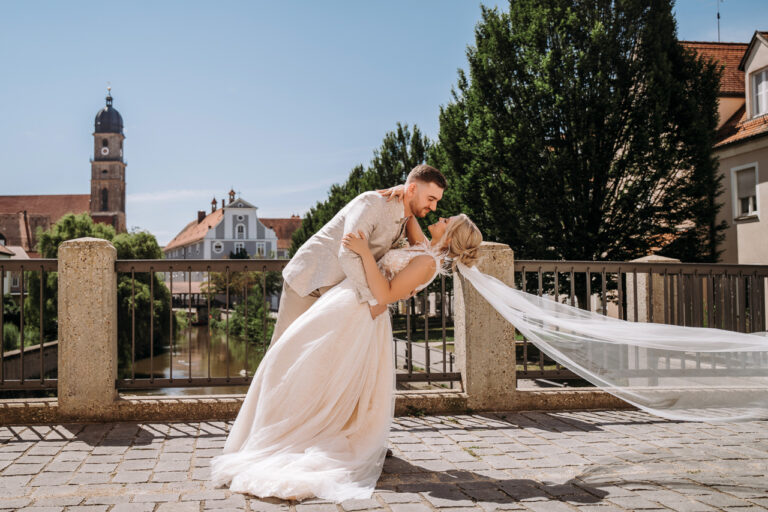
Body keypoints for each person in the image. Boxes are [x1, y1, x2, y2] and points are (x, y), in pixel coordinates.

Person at [209, 212, 483, 502]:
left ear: (450, 236)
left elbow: (386, 294)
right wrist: (402, 192)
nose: (440, 214)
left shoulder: (429, 262)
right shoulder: (425, 247)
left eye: (447, 219)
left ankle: (303, 432)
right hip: (347, 301)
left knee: (306, 363)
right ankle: (285, 427)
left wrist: (365, 253)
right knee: (293, 358)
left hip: (359, 312)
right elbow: (410, 209)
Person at [269, 164, 447, 348]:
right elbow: (347, 251)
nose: (434, 207)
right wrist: (372, 300)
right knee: (283, 350)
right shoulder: (372, 202)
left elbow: (426, 251)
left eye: (437, 201)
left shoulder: (405, 219)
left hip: (341, 293)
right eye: (431, 199)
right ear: (412, 189)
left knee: (320, 360)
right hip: (310, 282)